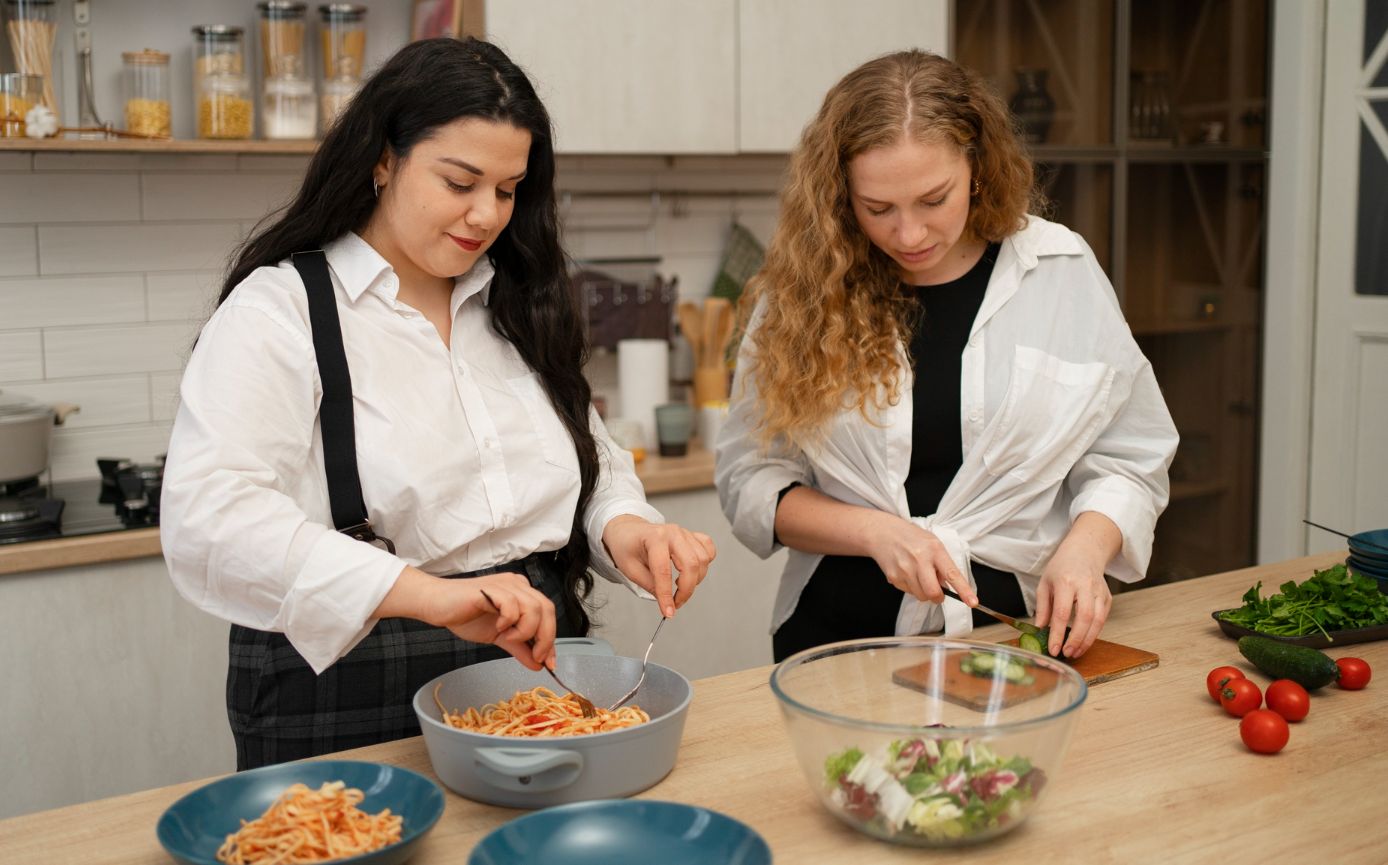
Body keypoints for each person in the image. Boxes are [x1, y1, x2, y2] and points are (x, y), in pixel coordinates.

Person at [162, 37, 715, 769]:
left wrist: (627, 528)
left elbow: (590, 460)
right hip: (348, 678)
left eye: (509, 189)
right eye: (460, 182)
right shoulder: (281, 311)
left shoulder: (521, 304)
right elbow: (211, 521)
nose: (487, 214)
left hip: (536, 654)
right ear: (384, 158)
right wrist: (425, 594)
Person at [716, 49, 1177, 664]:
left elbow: (1129, 455)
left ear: (978, 167)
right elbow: (750, 477)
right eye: (877, 209)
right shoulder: (805, 289)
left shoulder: (1059, 271)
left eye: (934, 200)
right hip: (839, 641)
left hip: (1018, 636)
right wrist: (875, 533)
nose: (908, 235)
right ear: (839, 194)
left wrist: (1086, 551)